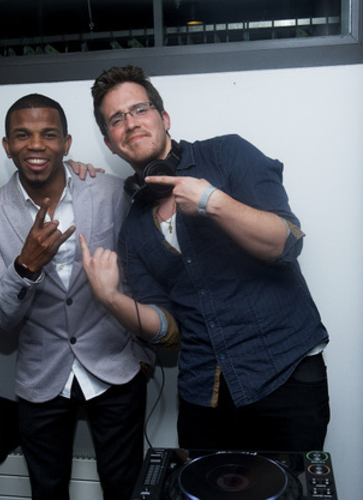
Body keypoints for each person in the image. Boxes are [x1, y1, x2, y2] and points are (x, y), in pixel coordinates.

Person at [82, 64, 330, 453]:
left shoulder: (228, 154)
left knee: (292, 486)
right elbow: (168, 332)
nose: (130, 123)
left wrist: (214, 202)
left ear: (164, 118)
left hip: (285, 375)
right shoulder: (133, 228)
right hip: (205, 395)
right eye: (116, 119)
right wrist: (111, 298)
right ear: (110, 143)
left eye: (140, 109)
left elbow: (286, 243)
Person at [0, 93, 158, 500]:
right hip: (41, 376)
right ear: (7, 146)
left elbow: (142, 274)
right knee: (47, 491)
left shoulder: (110, 192)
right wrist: (25, 266)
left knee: (125, 487)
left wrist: (143, 351)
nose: (36, 145)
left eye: (49, 134)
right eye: (22, 135)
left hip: (116, 365)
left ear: (66, 143)